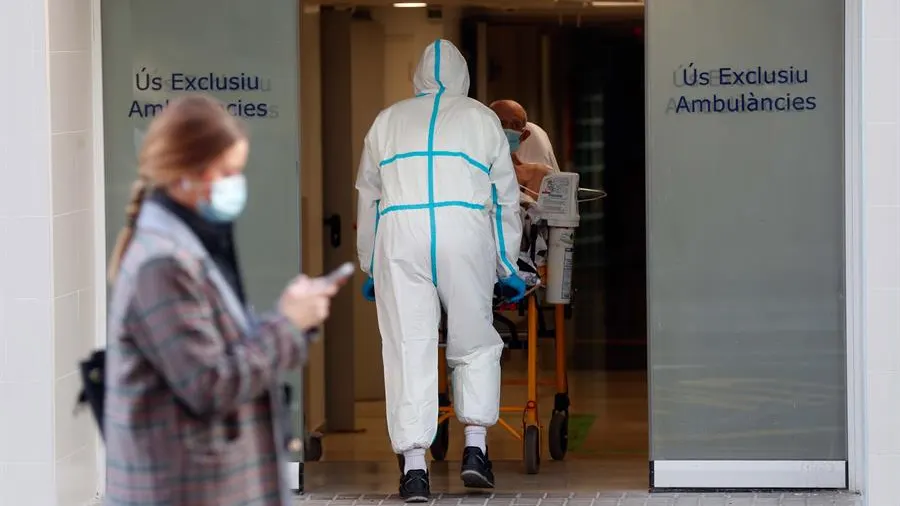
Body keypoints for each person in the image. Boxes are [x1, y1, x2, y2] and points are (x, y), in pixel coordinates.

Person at [104, 94, 337, 506]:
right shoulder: (162, 264)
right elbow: (210, 383)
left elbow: (228, 347)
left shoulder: (192, 245)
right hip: (184, 487)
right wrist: (287, 324)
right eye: (227, 172)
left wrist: (291, 317)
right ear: (185, 173)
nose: (235, 185)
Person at [356, 39, 526, 502]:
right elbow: (503, 198)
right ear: (463, 76)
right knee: (473, 340)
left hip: (400, 236)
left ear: (417, 77)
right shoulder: (480, 118)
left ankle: (415, 470)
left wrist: (371, 263)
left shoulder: (387, 120)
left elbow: (368, 198)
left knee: (408, 346)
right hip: (462, 233)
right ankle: (475, 450)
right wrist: (507, 263)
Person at [489, 99, 560, 197]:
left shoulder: (540, 174)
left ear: (524, 136)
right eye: (501, 123)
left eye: (516, 125)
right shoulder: (471, 170)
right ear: (486, 129)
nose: (508, 129)